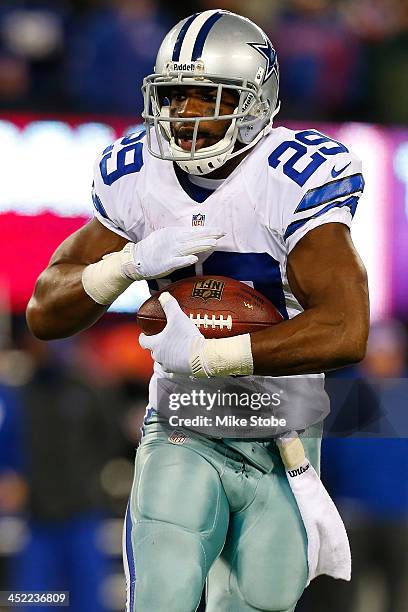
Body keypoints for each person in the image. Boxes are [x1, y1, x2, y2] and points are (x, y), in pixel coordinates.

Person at [26, 9, 369, 612]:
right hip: (184, 422)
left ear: (257, 100)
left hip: (281, 437)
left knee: (256, 603)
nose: (184, 115)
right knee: (164, 592)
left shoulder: (292, 176)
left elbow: (346, 328)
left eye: (205, 96)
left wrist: (214, 355)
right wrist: (124, 265)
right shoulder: (139, 173)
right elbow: (44, 310)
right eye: (173, 95)